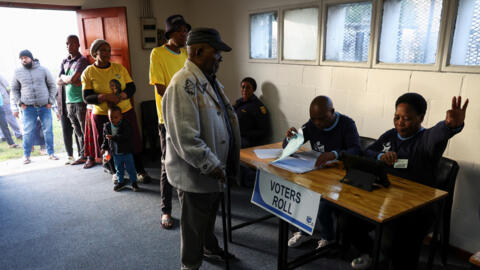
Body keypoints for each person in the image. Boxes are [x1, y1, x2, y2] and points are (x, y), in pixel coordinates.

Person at [345, 93, 468, 270]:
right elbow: (368, 153)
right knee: (347, 221)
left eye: (407, 118)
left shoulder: (426, 140)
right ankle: (374, 255)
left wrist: (450, 126)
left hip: (418, 208)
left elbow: (438, 134)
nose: (400, 122)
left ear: (421, 118)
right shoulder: (390, 136)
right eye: (396, 117)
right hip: (387, 199)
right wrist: (381, 156)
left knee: (393, 239)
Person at [162, 28, 240, 270]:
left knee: (207, 219)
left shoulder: (206, 80)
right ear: (197, 51)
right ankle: (190, 266)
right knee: (193, 226)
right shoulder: (182, 85)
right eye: (216, 52)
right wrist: (212, 164)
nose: (220, 58)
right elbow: (186, 138)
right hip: (198, 173)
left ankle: (210, 248)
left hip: (214, 170)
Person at [283, 95, 361, 250]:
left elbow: (356, 150)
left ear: (332, 111)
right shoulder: (312, 124)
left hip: (341, 176)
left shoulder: (347, 124)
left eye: (322, 119)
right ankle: (303, 231)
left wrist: (334, 154)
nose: (318, 123)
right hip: (319, 172)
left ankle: (328, 237)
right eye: (314, 119)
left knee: (323, 203)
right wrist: (289, 139)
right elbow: (289, 148)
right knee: (301, 192)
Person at [82, 39, 150, 181]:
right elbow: (87, 97)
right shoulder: (88, 72)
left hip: (125, 112)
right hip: (102, 115)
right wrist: (105, 97)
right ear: (95, 53)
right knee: (107, 145)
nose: (107, 53)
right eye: (103, 50)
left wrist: (120, 96)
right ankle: (113, 171)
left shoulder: (119, 68)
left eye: (109, 50)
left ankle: (140, 171)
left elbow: (131, 88)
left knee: (133, 141)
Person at [149, 14, 190, 229]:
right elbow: (160, 88)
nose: (185, 34)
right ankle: (166, 210)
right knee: (168, 164)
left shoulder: (186, 53)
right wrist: (181, 103)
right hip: (167, 118)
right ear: (171, 33)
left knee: (188, 161)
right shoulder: (157, 53)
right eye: (181, 31)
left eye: (186, 31)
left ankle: (189, 207)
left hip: (188, 117)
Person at [11, 50, 58, 164]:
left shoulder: (43, 70)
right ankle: (26, 156)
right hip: (28, 108)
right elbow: (15, 89)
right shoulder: (17, 72)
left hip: (44, 106)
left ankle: (51, 153)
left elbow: (52, 86)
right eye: (21, 58)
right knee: (27, 132)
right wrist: (20, 103)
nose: (24, 60)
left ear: (31, 58)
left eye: (26, 57)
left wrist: (50, 101)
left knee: (48, 130)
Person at [57, 35, 90, 165]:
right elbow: (58, 80)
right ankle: (83, 155)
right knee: (77, 131)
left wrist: (68, 79)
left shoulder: (82, 61)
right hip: (69, 101)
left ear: (77, 44)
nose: (68, 46)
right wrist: (69, 79)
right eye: (66, 44)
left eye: (71, 43)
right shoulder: (65, 61)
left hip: (80, 101)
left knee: (84, 130)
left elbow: (73, 79)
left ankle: (89, 157)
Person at [101, 106, 139, 192]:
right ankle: (121, 182)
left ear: (121, 117)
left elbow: (126, 136)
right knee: (118, 168)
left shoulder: (125, 124)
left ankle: (134, 182)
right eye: (111, 117)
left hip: (126, 151)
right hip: (115, 152)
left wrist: (113, 137)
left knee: (130, 168)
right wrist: (104, 147)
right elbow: (105, 139)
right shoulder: (107, 126)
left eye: (115, 117)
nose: (113, 119)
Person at [233, 77, 269, 148]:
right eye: (243, 87)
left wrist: (244, 133)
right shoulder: (239, 102)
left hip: (248, 141)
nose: (244, 90)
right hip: (236, 136)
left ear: (253, 89)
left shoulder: (258, 107)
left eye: (248, 88)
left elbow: (263, 131)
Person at [0, 74, 22, 141]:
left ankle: (18, 134)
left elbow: (7, 86)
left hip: (4, 100)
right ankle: (3, 136)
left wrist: (10, 96)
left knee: (10, 118)